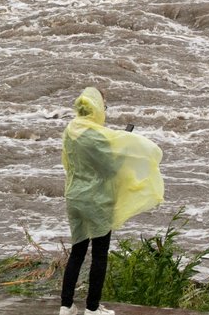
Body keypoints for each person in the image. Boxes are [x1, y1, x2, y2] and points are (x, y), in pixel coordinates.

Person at [59, 87, 164, 315]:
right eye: (104, 107)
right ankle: (92, 308)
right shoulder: (98, 136)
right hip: (96, 201)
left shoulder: (70, 130)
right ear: (96, 108)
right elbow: (110, 169)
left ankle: (66, 306)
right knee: (99, 254)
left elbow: (68, 162)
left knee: (77, 251)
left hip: (73, 197)